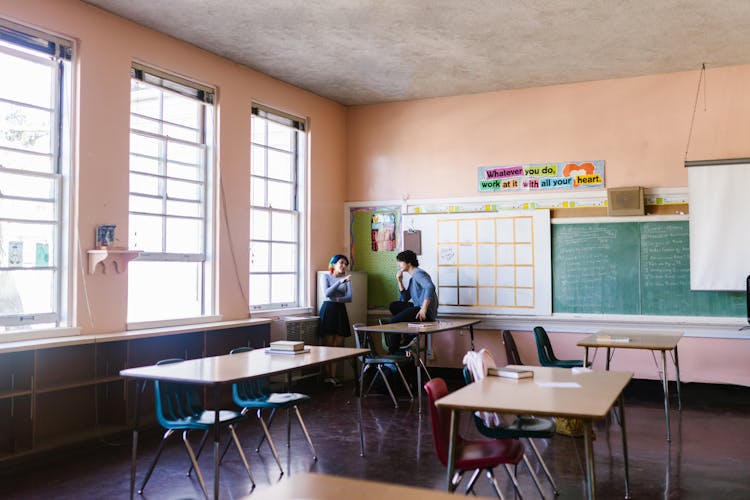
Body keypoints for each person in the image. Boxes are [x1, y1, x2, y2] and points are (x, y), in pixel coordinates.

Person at [381, 249, 438, 353]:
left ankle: (394, 352)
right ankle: (407, 334)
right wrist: (399, 281)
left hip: (425, 312)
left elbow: (430, 287)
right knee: (393, 306)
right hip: (417, 307)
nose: (398, 265)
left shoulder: (418, 273)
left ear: (409, 262)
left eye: (400, 262)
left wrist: (424, 308)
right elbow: (405, 298)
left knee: (394, 321)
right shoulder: (413, 278)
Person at [318, 254, 352, 387]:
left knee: (339, 344)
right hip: (328, 310)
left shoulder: (346, 278)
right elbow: (326, 293)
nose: (343, 266)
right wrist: (340, 283)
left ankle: (335, 375)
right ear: (333, 264)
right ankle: (328, 376)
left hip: (340, 310)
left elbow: (349, 297)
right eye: (341, 263)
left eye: (345, 264)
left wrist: (336, 298)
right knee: (328, 345)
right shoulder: (325, 276)